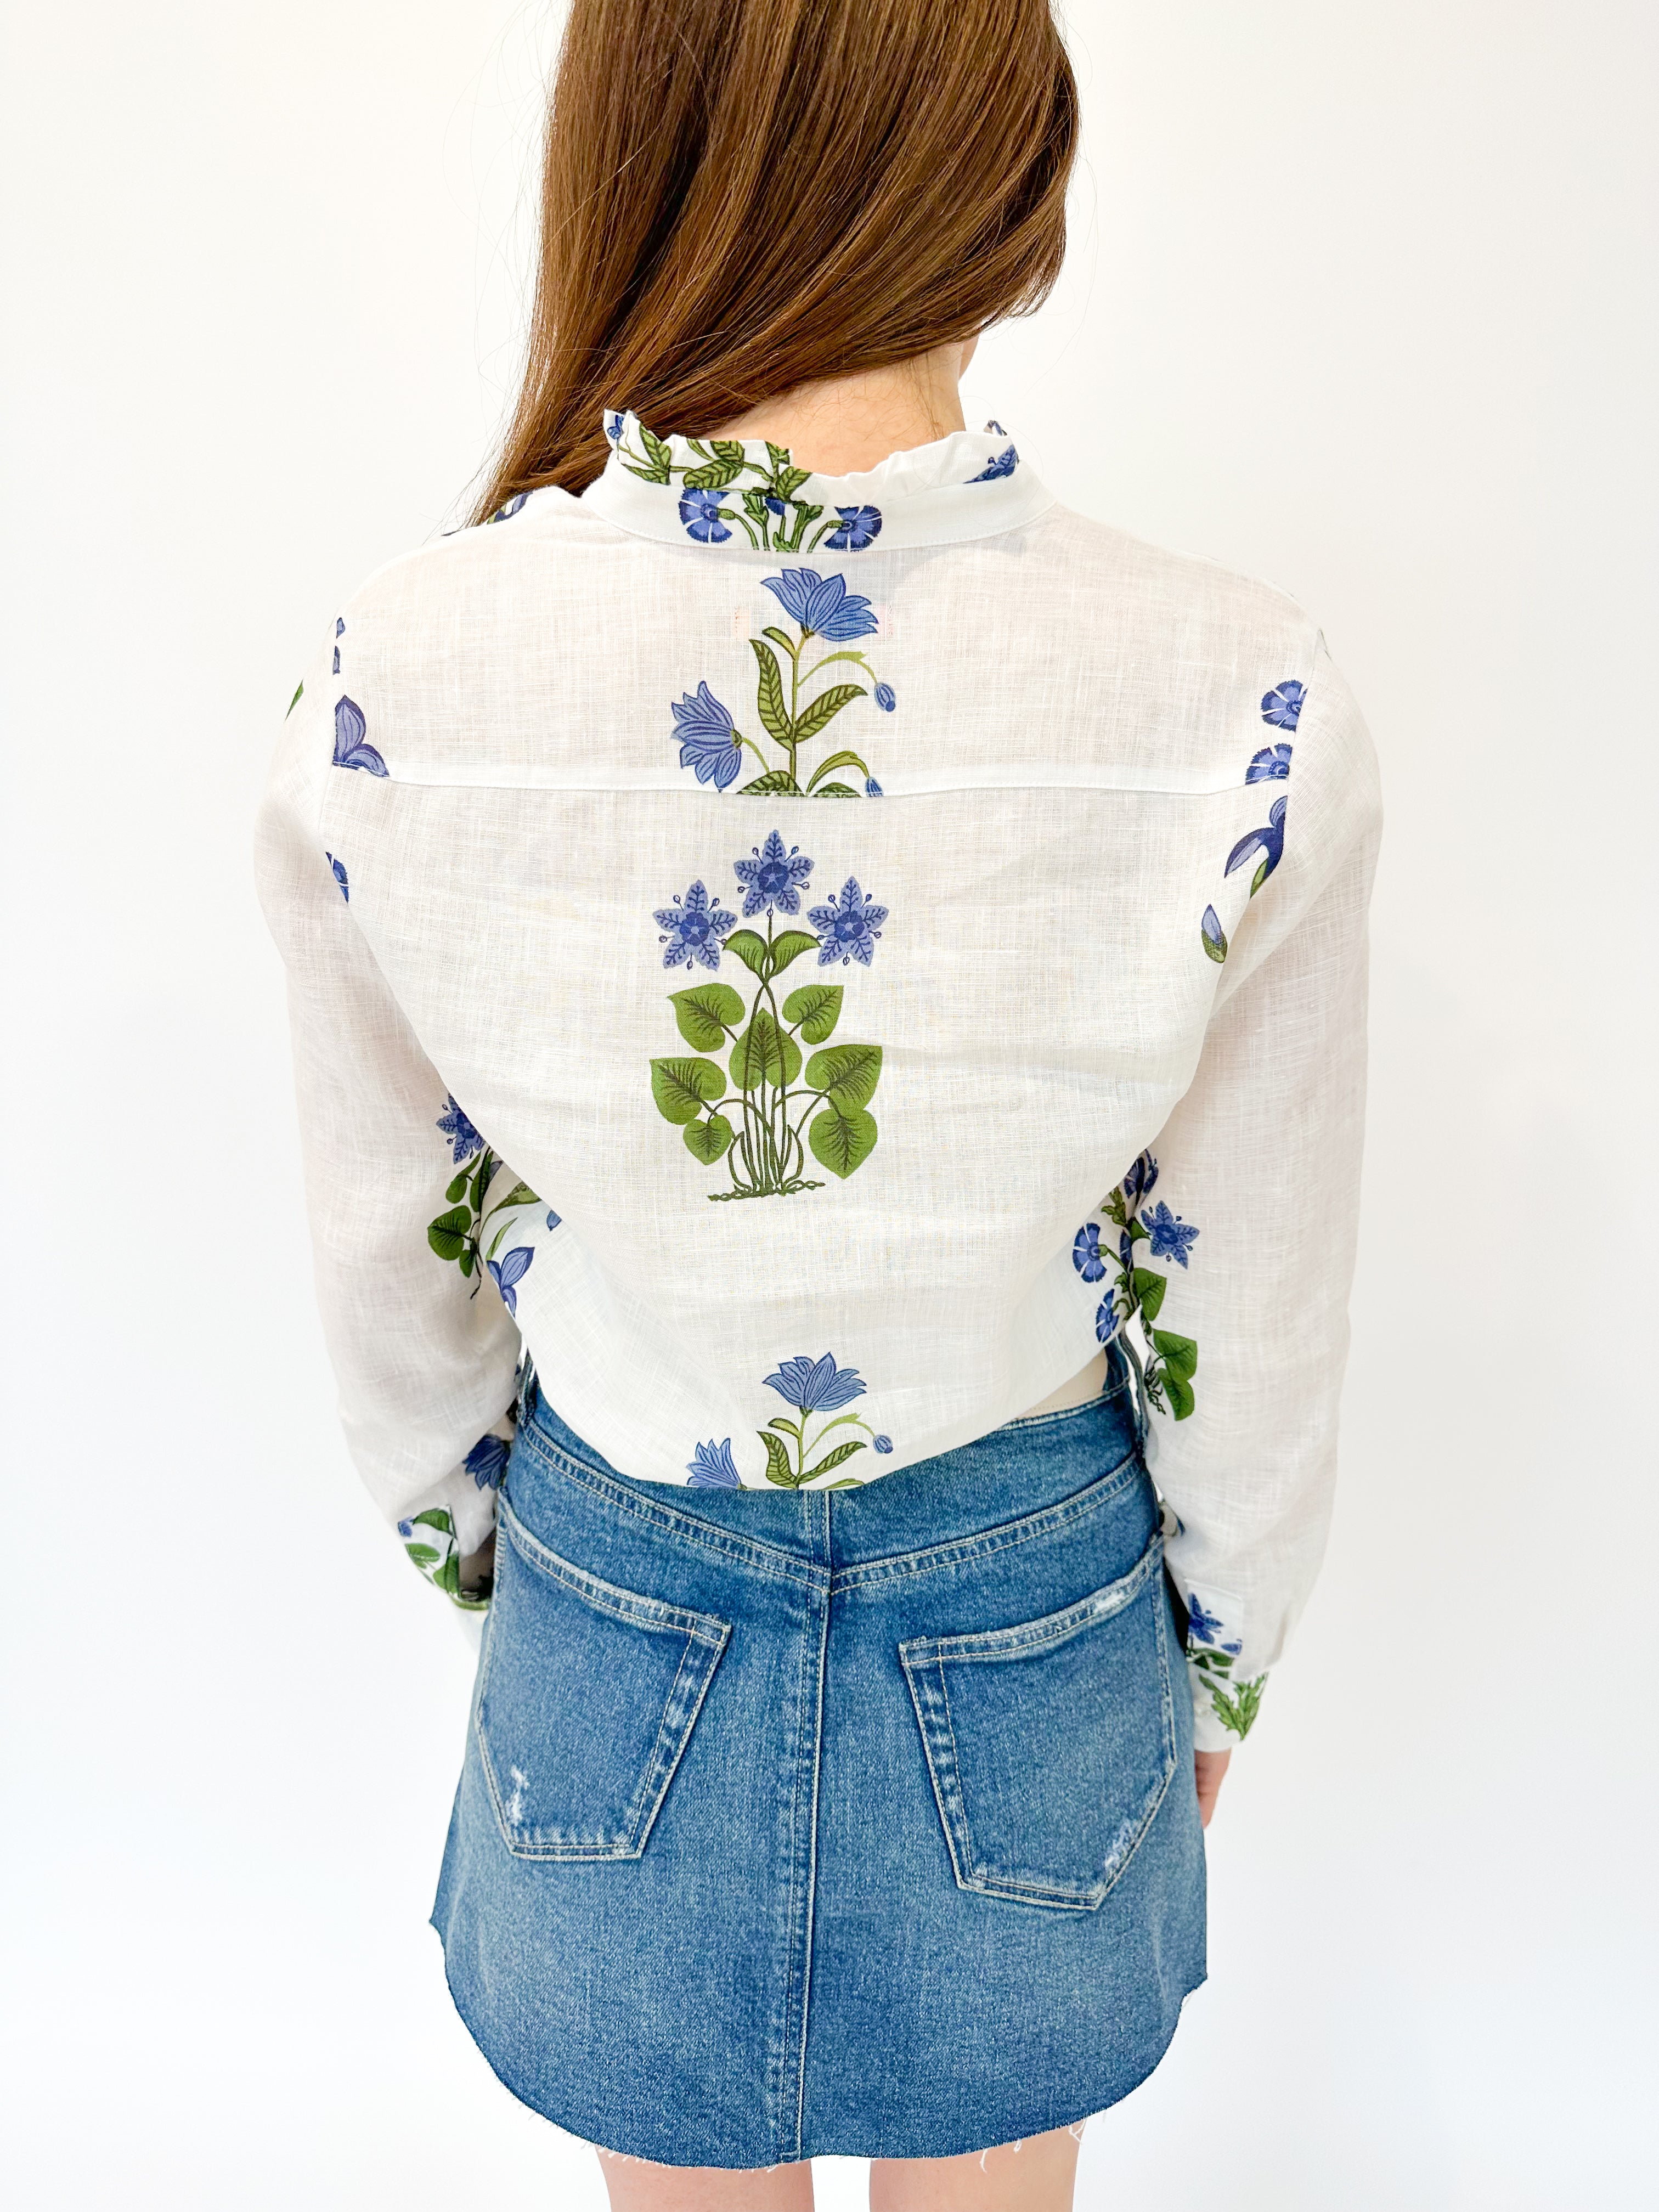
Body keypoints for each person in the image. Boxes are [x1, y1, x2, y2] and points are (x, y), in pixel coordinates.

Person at [256, 0, 1380, 2203]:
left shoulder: (399, 672)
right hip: (1038, 1600)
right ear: (1017, 178)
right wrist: (1222, 1661)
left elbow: (392, 1255)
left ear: (631, 157)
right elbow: (1248, 1299)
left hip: (613, 1575)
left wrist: (501, 1561)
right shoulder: (1239, 690)